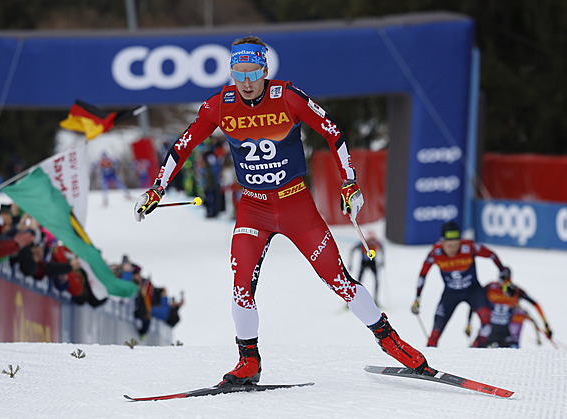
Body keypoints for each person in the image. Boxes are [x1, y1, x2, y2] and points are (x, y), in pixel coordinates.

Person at [134, 35, 433, 386]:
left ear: (265, 70)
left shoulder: (287, 96)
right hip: (253, 208)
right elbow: (183, 145)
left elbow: (332, 132)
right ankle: (248, 361)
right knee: (240, 286)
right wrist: (157, 187)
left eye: (253, 72)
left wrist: (349, 182)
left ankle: (390, 341)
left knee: (338, 280)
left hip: (295, 204)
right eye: (238, 72)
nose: (245, 81)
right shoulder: (220, 104)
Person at [411, 221, 508, 347]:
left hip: (473, 291)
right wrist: (417, 298)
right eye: (449, 246)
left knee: (488, 322)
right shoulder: (435, 253)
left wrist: (502, 272)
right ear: (442, 243)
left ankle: (475, 350)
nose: (453, 249)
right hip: (450, 294)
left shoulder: (469, 247)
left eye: (456, 245)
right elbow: (423, 274)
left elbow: (491, 255)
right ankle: (428, 359)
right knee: (435, 332)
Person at [465, 267, 553, 348]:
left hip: (507, 332)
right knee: (473, 353)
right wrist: (468, 323)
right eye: (502, 278)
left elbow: (535, 304)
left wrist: (546, 325)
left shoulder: (515, 291)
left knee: (511, 358)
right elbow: (475, 302)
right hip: (488, 329)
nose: (503, 282)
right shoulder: (490, 287)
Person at [348, 231, 384, 305]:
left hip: (372, 263)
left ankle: (376, 300)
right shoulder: (362, 243)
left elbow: (382, 249)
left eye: (373, 239)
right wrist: (350, 263)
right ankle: (354, 299)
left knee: (377, 281)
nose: (372, 241)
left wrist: (382, 261)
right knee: (358, 282)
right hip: (363, 263)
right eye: (370, 239)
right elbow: (352, 250)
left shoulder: (377, 243)